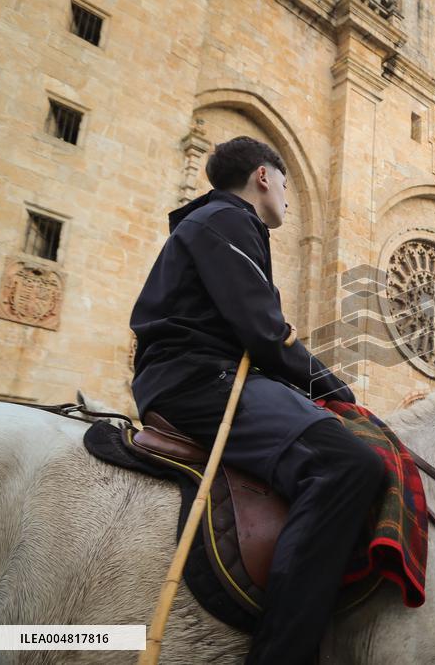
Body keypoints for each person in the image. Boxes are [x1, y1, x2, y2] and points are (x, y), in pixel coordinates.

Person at [129, 136, 385, 664]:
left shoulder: (219, 223)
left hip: (199, 375)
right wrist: (333, 388)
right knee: (350, 465)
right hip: (198, 379)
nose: (288, 197)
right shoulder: (227, 220)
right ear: (264, 177)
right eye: (286, 183)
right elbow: (266, 333)